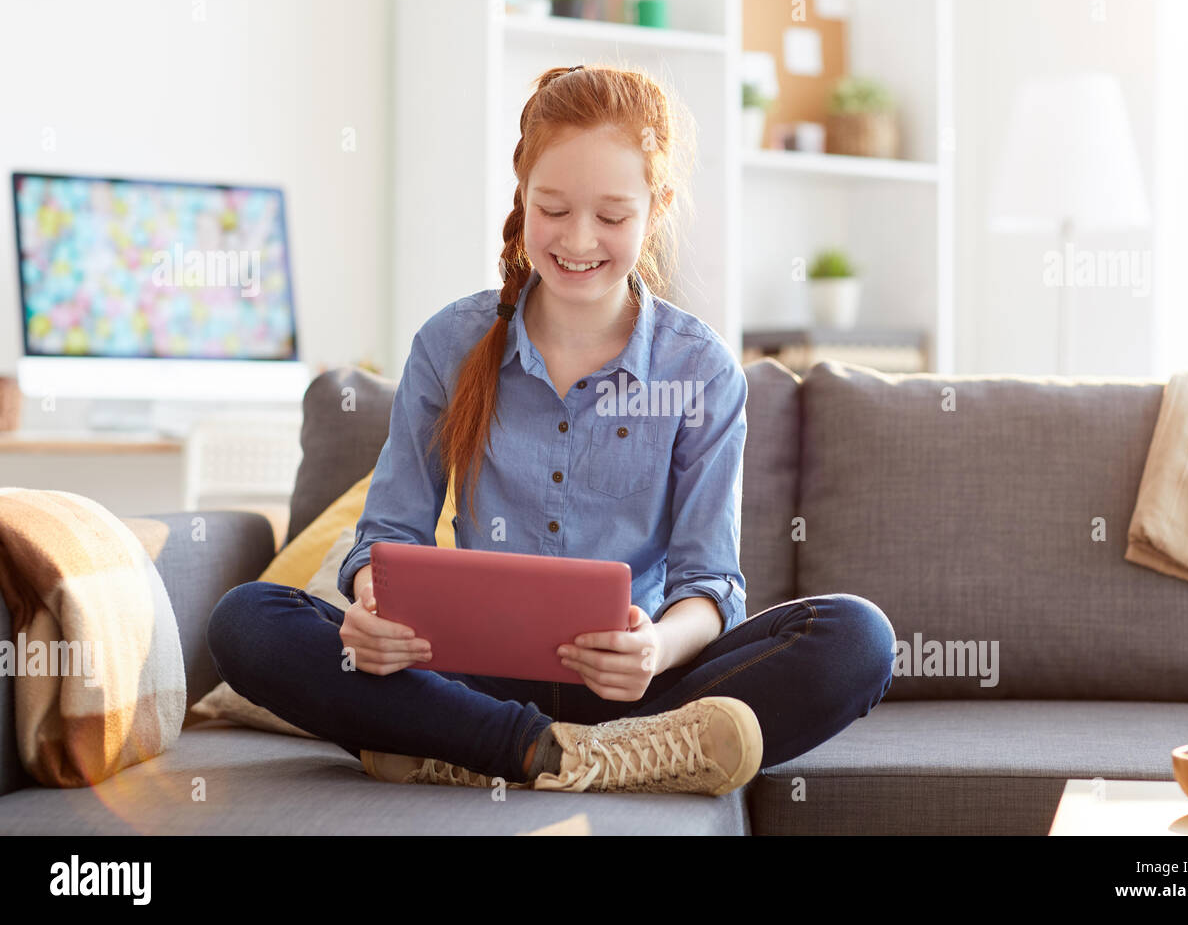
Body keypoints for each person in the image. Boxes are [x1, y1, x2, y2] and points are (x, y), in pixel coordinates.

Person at [207, 64, 896, 797]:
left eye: (612, 215)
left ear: (656, 208)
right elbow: (389, 536)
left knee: (857, 636)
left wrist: (655, 646)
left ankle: (475, 749)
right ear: (523, 195)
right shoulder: (451, 344)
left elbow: (709, 584)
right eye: (554, 208)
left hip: (640, 687)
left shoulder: (700, 369)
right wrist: (375, 610)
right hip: (465, 678)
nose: (578, 240)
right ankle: (558, 753)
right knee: (247, 620)